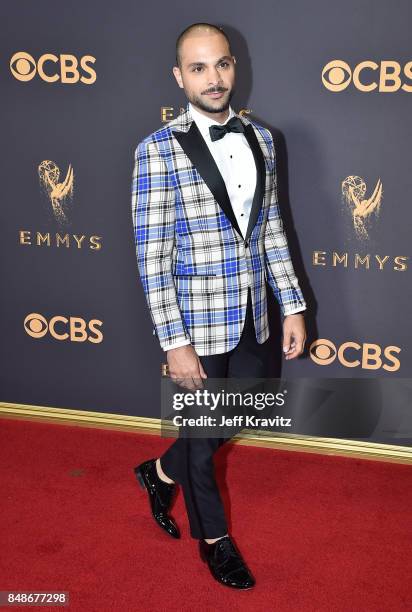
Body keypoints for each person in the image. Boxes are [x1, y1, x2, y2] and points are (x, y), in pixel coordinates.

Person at [130, 22, 307, 590]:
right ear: (179, 77)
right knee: (203, 434)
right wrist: (173, 340)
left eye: (222, 64)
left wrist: (294, 304)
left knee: (244, 409)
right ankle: (215, 542)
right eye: (199, 68)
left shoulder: (263, 138)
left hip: (255, 310)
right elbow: (152, 255)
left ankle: (159, 472)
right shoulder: (156, 151)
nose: (214, 78)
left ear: (235, 67)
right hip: (196, 318)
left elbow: (273, 229)